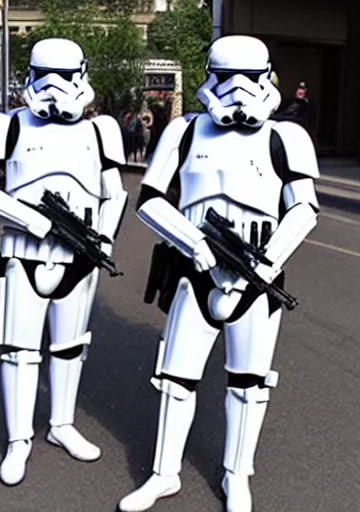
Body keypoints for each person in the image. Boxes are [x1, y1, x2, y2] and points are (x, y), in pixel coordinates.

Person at [118, 35, 320, 512]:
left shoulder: (285, 136)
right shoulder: (183, 131)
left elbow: (304, 209)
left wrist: (268, 261)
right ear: (210, 75)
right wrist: (193, 243)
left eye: (250, 78)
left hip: (256, 275)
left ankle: (237, 475)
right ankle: (164, 474)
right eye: (226, 77)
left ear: (268, 77)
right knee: (175, 379)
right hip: (194, 270)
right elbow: (149, 201)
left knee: (249, 383)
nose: (238, 90)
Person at [0, 38, 128, 486]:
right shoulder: (3, 125)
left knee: (71, 347)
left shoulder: (100, 130)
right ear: (30, 74)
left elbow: (115, 193)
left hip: (80, 255)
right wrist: (33, 221)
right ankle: (19, 440)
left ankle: (61, 425)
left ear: (82, 74)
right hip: (22, 253)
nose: (54, 87)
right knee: (19, 352)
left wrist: (104, 239)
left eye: (65, 76)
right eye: (44, 74)